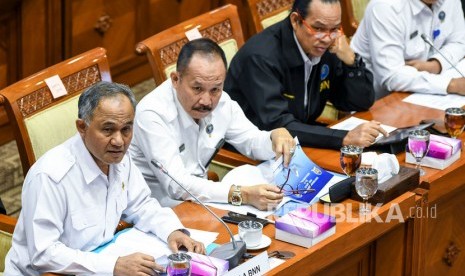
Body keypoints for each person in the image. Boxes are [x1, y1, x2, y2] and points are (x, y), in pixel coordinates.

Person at [4, 82, 205, 275]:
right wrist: (114, 266)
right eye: (108, 129)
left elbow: (141, 205)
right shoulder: (50, 176)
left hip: (100, 260)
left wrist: (172, 231)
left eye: (126, 129)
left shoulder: (119, 159)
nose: (119, 141)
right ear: (82, 127)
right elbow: (44, 254)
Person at [129, 38, 295, 211]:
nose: (206, 101)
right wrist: (243, 195)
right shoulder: (152, 114)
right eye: (197, 89)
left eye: (215, 89)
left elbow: (251, 141)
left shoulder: (222, 102)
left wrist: (274, 138)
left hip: (204, 198)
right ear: (176, 79)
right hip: (157, 207)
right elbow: (177, 186)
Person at [224, 0, 387, 150]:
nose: (327, 38)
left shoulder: (328, 46)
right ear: (296, 21)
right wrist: (343, 138)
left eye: (335, 29)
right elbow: (279, 125)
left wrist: (351, 61)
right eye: (318, 29)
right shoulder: (260, 58)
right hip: (260, 150)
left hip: (300, 140)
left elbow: (360, 102)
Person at [351, 0, 465, 99]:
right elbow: (392, 75)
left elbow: (459, 42)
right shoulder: (385, 6)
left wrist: (435, 65)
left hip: (423, 93)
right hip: (377, 103)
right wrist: (452, 85)